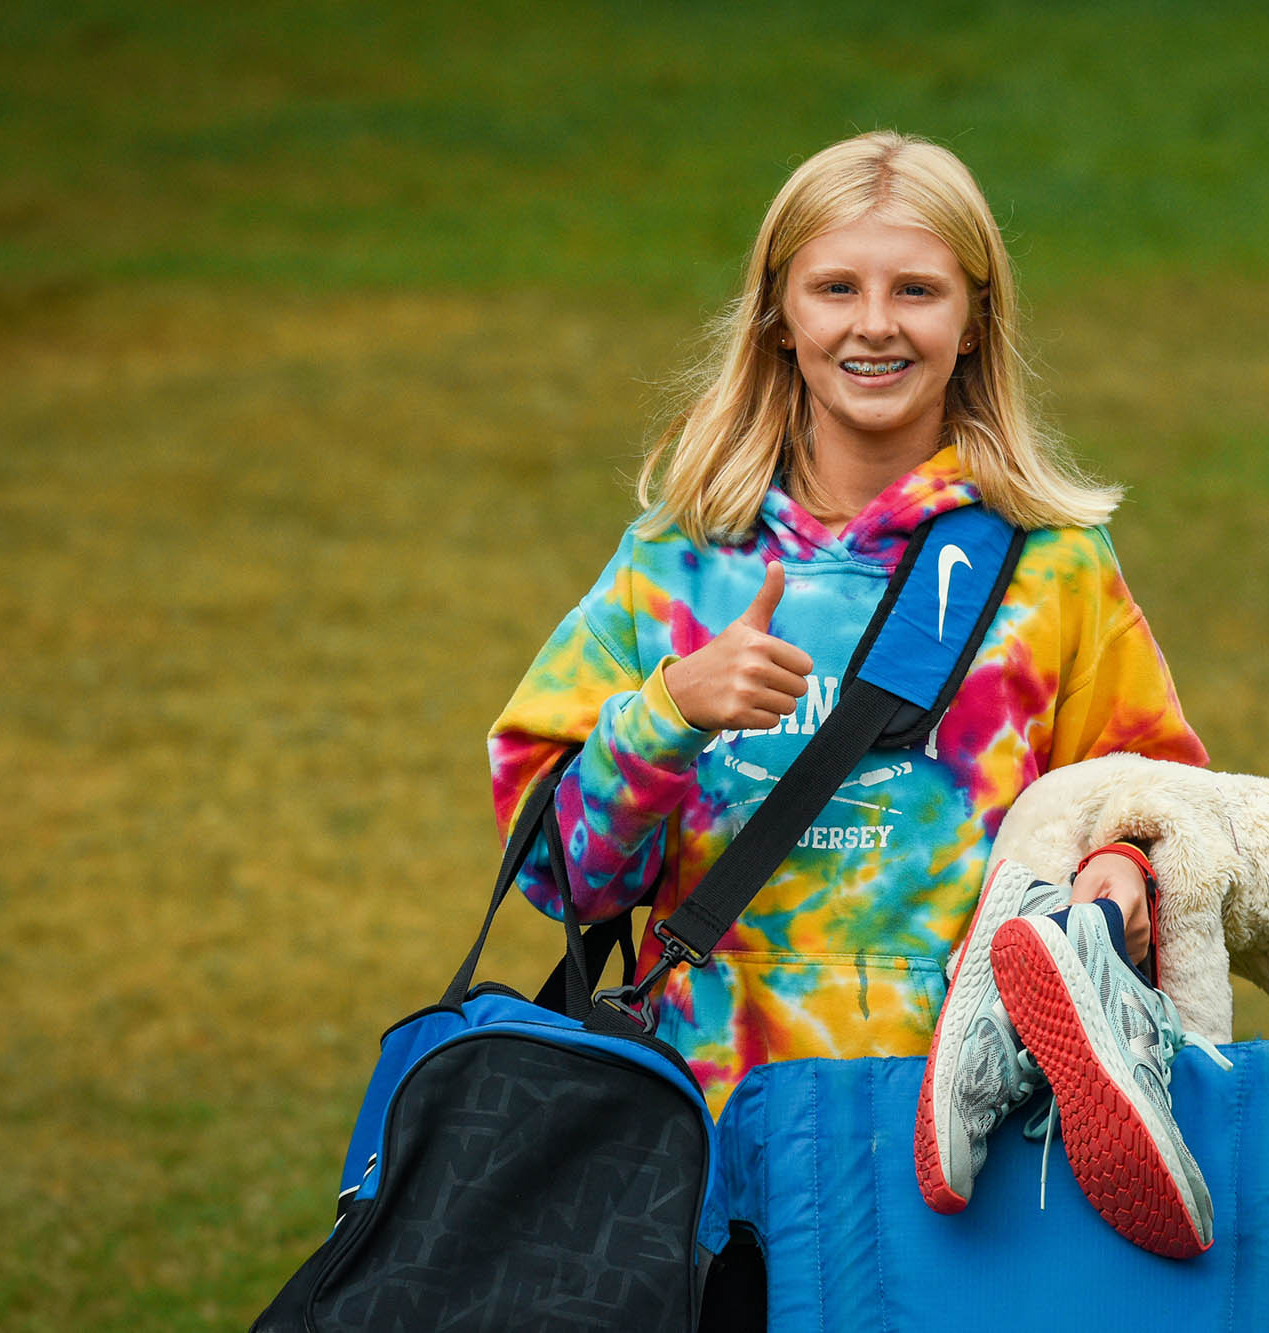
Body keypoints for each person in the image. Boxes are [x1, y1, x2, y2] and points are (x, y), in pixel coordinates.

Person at [487, 130, 1211, 1251]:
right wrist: (667, 713)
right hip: (704, 1152)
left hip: (972, 1151)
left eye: (915, 289)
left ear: (973, 321)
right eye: (835, 288)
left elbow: (1164, 809)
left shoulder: (1053, 566)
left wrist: (1124, 867)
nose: (874, 324)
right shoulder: (677, 562)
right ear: (780, 315)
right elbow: (559, 880)